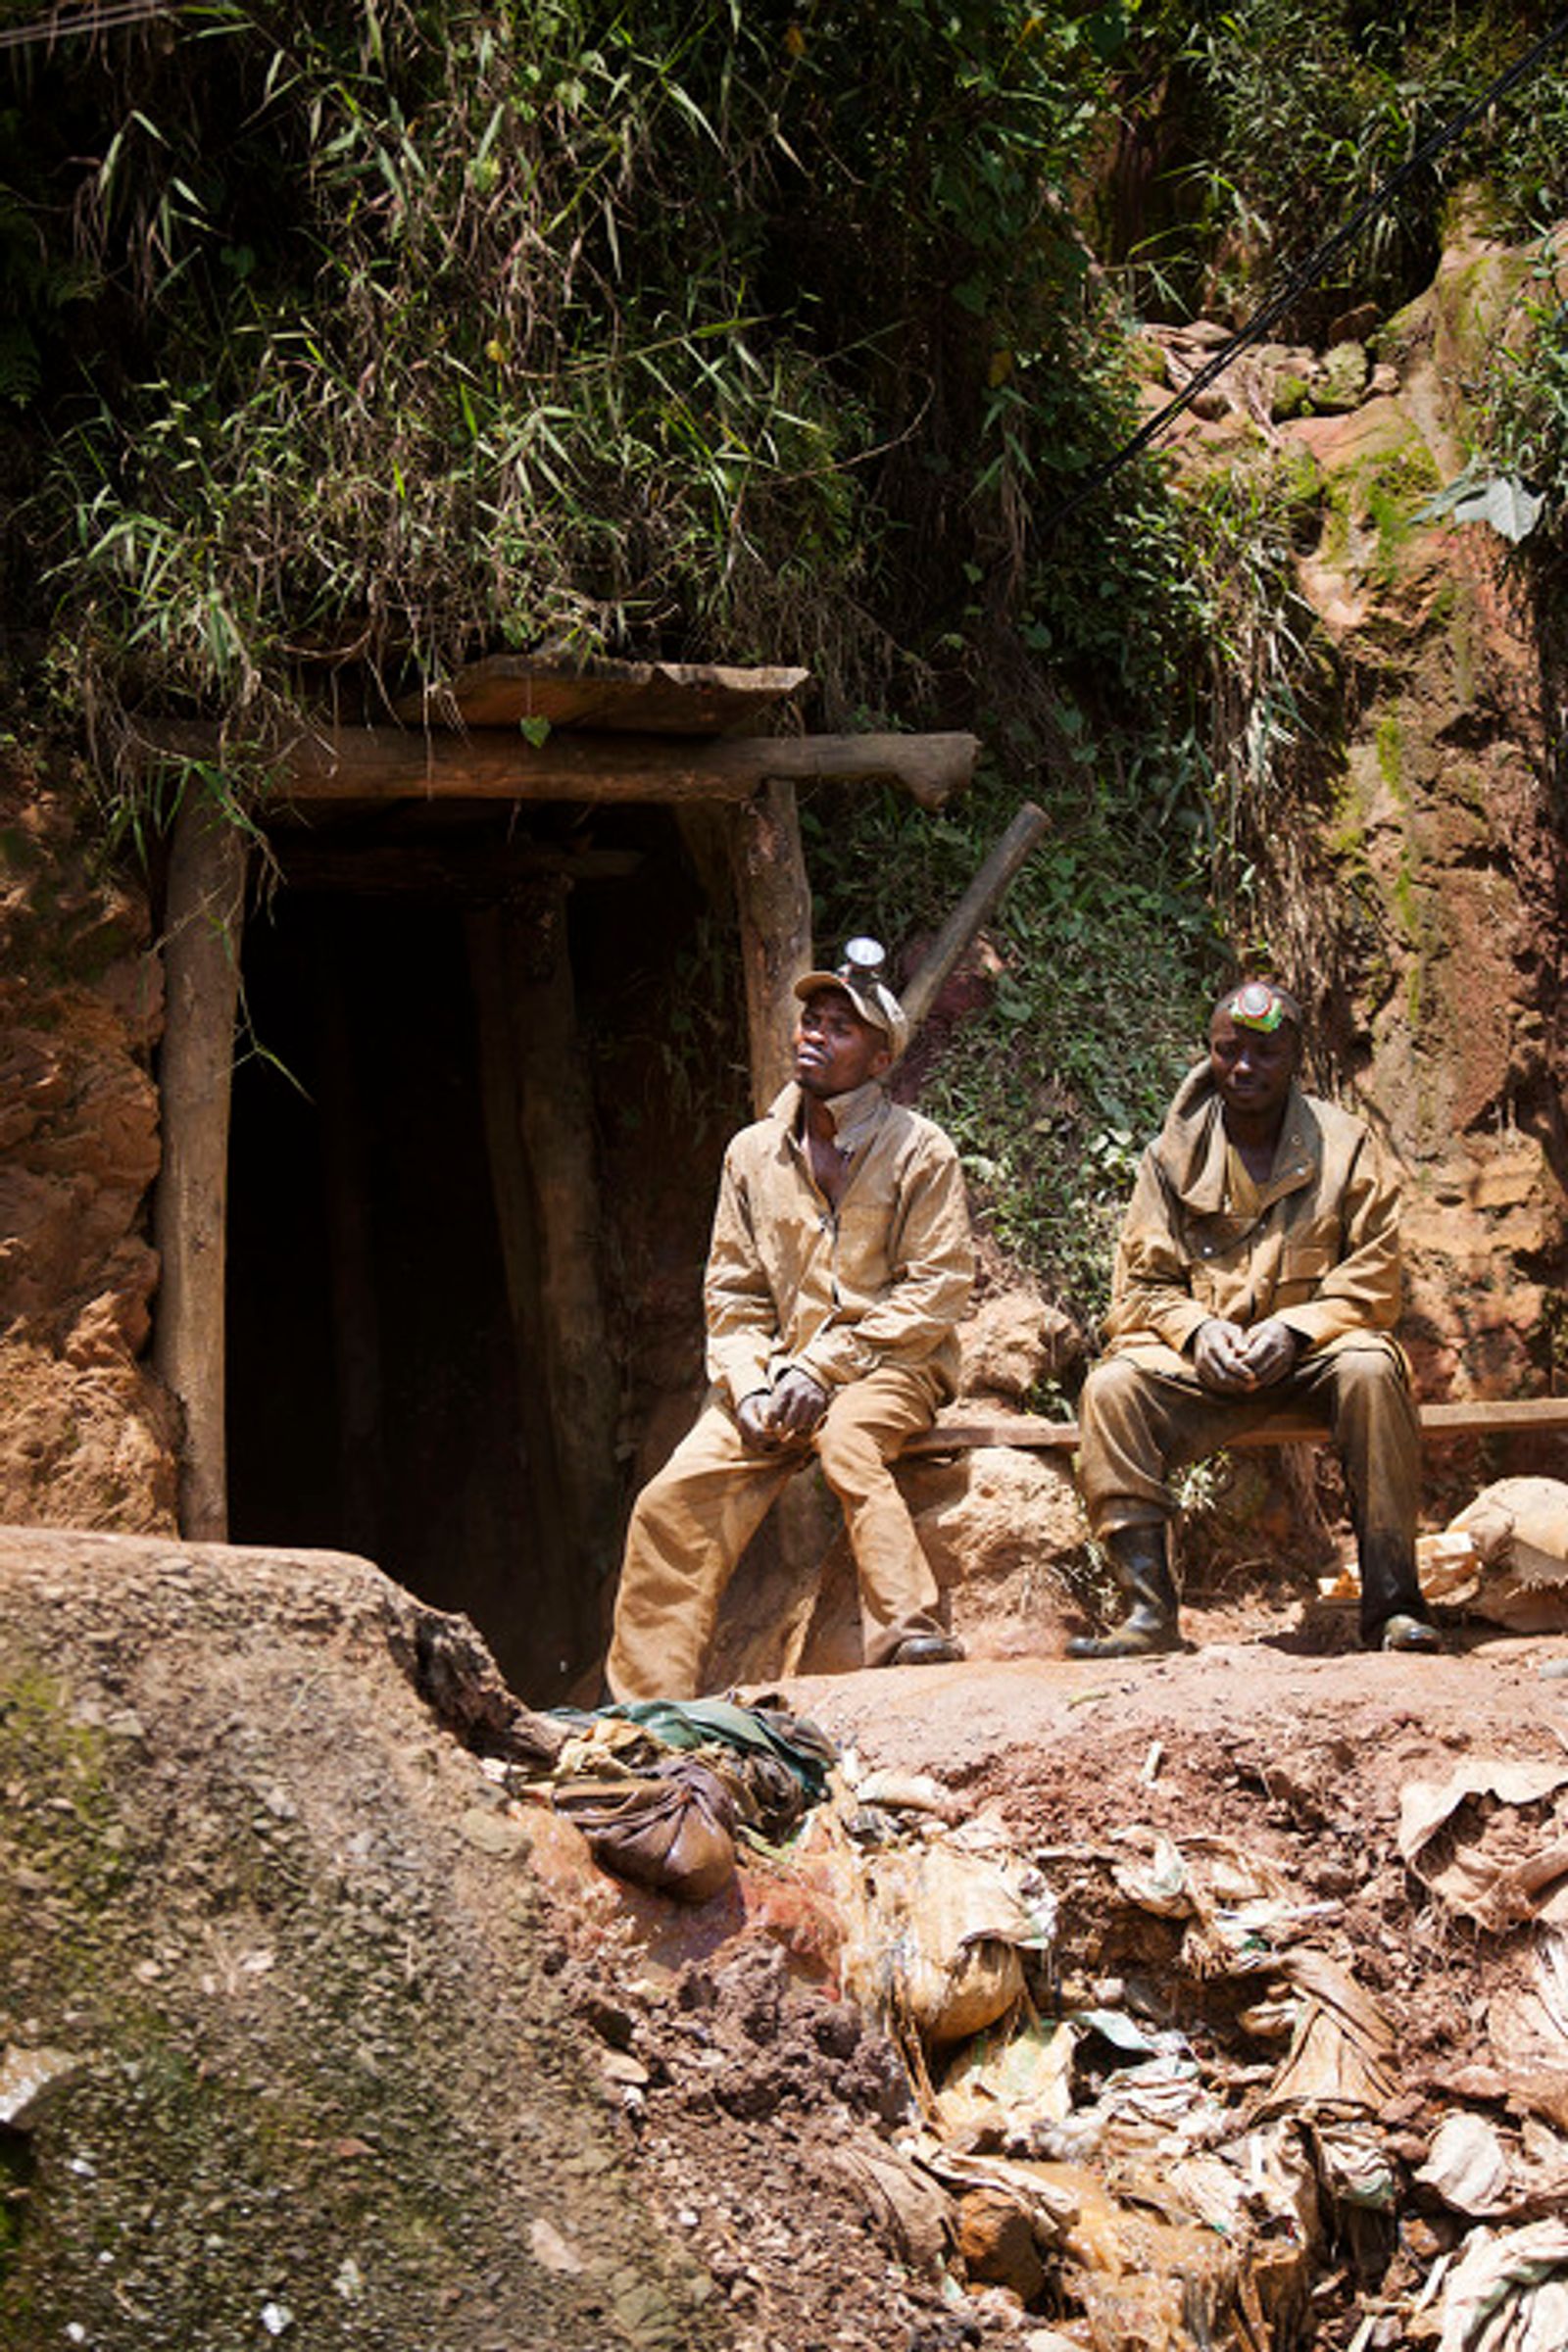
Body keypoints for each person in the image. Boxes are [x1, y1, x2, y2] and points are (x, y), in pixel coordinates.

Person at [606, 941, 974, 1701]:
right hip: (777, 1375)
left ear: (880, 1060)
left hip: (891, 1366)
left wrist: (823, 1367)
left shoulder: (920, 1151)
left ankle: (910, 1632)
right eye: (813, 1020)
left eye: (842, 1028)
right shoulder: (751, 1154)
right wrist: (748, 1384)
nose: (815, 1034)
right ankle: (645, 1701)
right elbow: (734, 1293)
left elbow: (936, 1290)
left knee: (849, 1442)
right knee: (671, 1500)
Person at [1070, 979, 1440, 1659]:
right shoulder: (1168, 1158)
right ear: (1209, 1052)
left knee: (1373, 1366)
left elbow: (1375, 1276)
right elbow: (1142, 1287)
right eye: (1228, 1050)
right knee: (1111, 1388)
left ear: (1296, 1055)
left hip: (1311, 1360)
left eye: (1265, 1053)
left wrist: (1297, 1329)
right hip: (1203, 1364)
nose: (1244, 1067)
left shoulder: (1346, 1145)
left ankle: (1394, 1608)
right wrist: (1198, 1331)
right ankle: (1148, 1614)